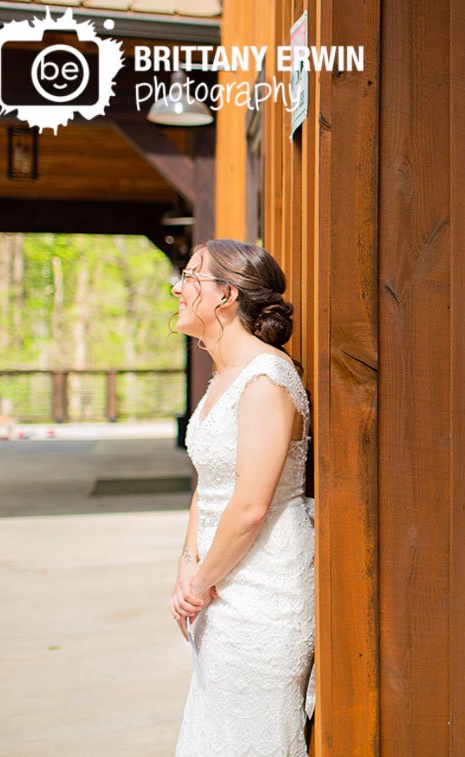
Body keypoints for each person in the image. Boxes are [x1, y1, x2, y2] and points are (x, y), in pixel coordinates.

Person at [169, 239, 314, 755]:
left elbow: (251, 506)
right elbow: (209, 482)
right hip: (217, 583)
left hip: (261, 593)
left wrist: (200, 584)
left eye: (189, 276)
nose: (178, 289)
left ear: (226, 294)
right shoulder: (222, 377)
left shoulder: (267, 379)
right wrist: (189, 563)